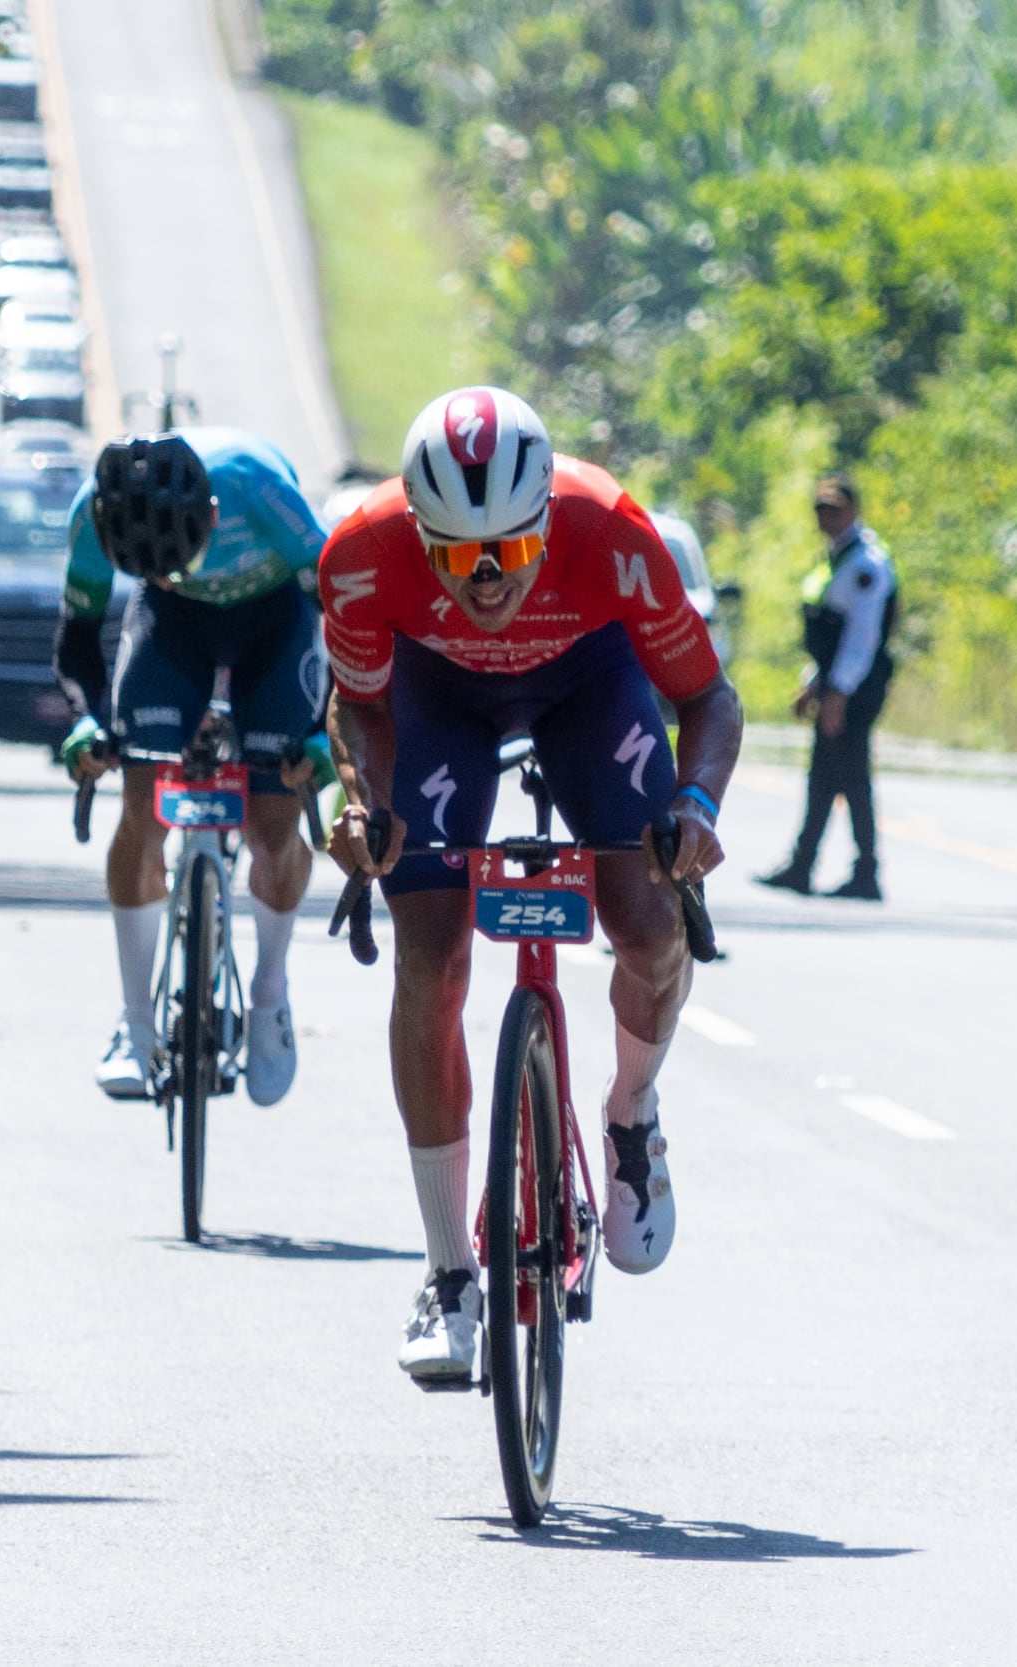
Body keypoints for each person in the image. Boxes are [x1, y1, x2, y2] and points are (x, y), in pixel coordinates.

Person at [319, 386, 741, 1388]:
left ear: (545, 519)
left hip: (586, 681)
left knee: (644, 920)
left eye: (507, 551)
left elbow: (706, 700)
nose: (485, 582)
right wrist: (364, 804)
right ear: (417, 533)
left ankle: (631, 1112)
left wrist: (697, 809)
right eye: (456, 555)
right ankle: (447, 1274)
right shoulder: (359, 554)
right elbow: (360, 708)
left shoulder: (611, 532)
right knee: (427, 955)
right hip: (438, 696)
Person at [55, 430, 331, 1109]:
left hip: (276, 622)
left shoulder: (261, 490)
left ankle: (269, 992)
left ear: (211, 515)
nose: (177, 573)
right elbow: (80, 638)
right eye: (153, 567)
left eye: (181, 558)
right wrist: (90, 721)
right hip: (172, 629)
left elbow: (344, 617)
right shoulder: (94, 515)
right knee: (142, 802)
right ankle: (136, 1024)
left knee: (274, 822)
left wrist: (326, 733)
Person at [756, 471, 897, 901]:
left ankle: (862, 871)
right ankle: (807, 865)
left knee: (848, 775)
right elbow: (831, 637)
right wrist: (814, 683)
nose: (826, 516)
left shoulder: (865, 565)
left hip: (857, 687)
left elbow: (861, 638)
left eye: (834, 508)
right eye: (820, 507)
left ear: (853, 510)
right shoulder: (837, 557)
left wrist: (837, 693)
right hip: (839, 680)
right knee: (827, 775)